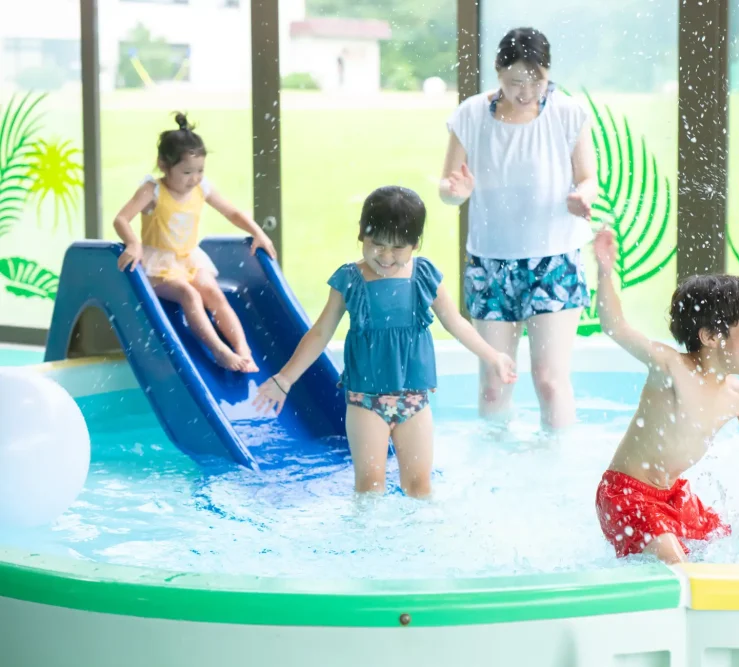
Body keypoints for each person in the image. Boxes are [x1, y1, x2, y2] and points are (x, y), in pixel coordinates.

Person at [252, 186, 518, 498]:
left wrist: (493, 356)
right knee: (370, 487)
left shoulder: (423, 276)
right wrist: (285, 379)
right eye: (377, 244)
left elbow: (455, 323)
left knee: (419, 486)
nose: (386, 256)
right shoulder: (350, 280)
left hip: (414, 399)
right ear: (361, 235)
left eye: (398, 248)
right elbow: (321, 333)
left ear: (415, 244)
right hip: (365, 400)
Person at [591, 229, 739, 564]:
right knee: (680, 566)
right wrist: (605, 271)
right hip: (626, 494)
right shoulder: (671, 367)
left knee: (727, 545)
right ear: (711, 337)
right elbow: (615, 327)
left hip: (672, 495)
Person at [439, 27, 598, 430]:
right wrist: (455, 192)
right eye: (514, 83)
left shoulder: (568, 113)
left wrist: (582, 196)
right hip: (490, 264)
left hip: (554, 260)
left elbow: (588, 179)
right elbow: (447, 188)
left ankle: (558, 463)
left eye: (536, 81)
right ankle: (496, 463)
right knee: (494, 385)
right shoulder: (471, 115)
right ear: (498, 73)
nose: (525, 92)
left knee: (549, 381)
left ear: (548, 73)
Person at [113, 113, 275, 373]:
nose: (194, 178)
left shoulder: (202, 188)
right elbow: (121, 219)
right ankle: (219, 350)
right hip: (158, 264)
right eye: (187, 172)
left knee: (214, 293)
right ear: (164, 165)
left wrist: (258, 232)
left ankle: (243, 350)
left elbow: (232, 212)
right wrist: (133, 243)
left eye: (200, 171)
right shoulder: (153, 191)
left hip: (189, 259)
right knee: (189, 294)